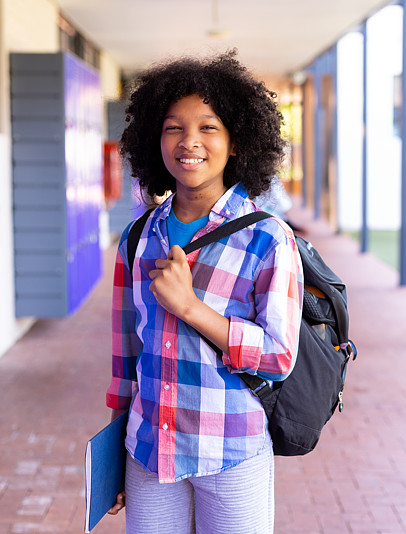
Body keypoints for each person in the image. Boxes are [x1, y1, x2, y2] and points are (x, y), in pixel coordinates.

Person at [106, 50, 304, 534]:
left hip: (231, 450)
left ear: (237, 143)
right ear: (156, 139)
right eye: (174, 127)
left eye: (208, 127)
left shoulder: (267, 238)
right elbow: (125, 359)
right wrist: (114, 454)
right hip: (150, 451)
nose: (189, 141)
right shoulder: (137, 237)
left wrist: (192, 308)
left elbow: (278, 355)